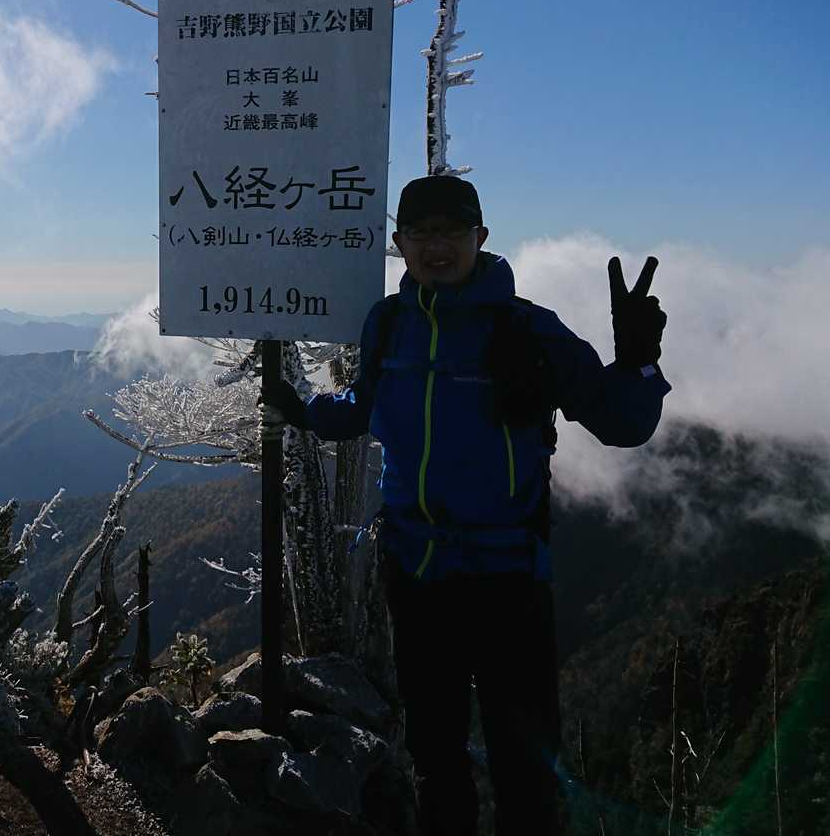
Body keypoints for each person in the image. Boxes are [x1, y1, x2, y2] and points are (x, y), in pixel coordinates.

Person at [259, 174, 668, 836]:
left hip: (509, 575)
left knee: (524, 768)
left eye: (452, 232)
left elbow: (623, 423)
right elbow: (362, 406)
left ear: (480, 237)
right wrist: (304, 410)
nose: (437, 247)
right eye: (420, 234)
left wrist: (638, 362)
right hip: (416, 573)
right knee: (434, 757)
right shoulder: (388, 324)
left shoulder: (527, 328)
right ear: (399, 243)